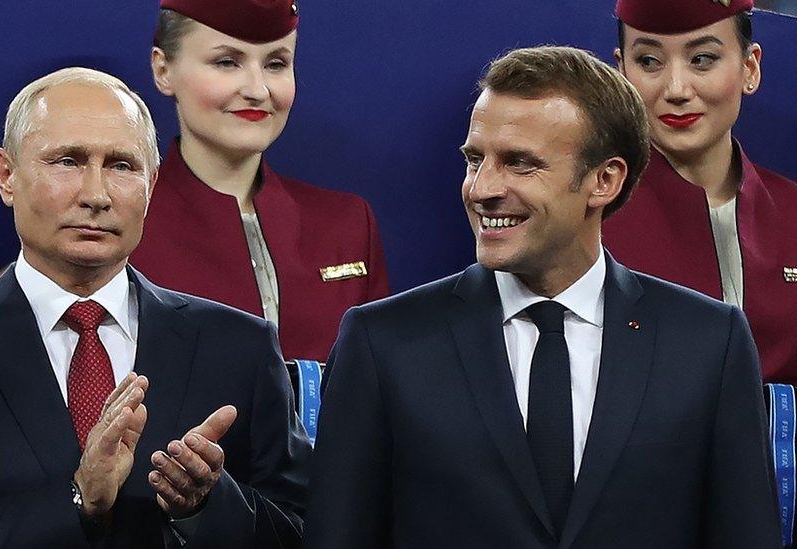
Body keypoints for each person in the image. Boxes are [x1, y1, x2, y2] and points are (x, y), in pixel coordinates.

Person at [306, 46, 779, 548]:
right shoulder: (383, 343)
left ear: (604, 180)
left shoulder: (709, 343)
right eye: (474, 160)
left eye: (520, 164)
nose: (481, 188)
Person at [0, 67, 311, 547]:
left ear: (152, 184)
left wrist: (206, 504)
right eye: (67, 161)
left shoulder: (240, 347)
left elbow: (306, 531)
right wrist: (79, 498)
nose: (96, 195)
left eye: (122, 166)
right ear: (6, 175)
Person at [128, 0, 390, 363]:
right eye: (226, 62)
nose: (257, 89)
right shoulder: (125, 223)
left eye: (276, 64)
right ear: (163, 70)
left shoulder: (346, 224)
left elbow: (380, 387)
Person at [605, 0, 797, 384]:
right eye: (648, 62)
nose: (676, 89)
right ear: (620, 71)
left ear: (750, 68)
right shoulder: (587, 222)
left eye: (703, 59)